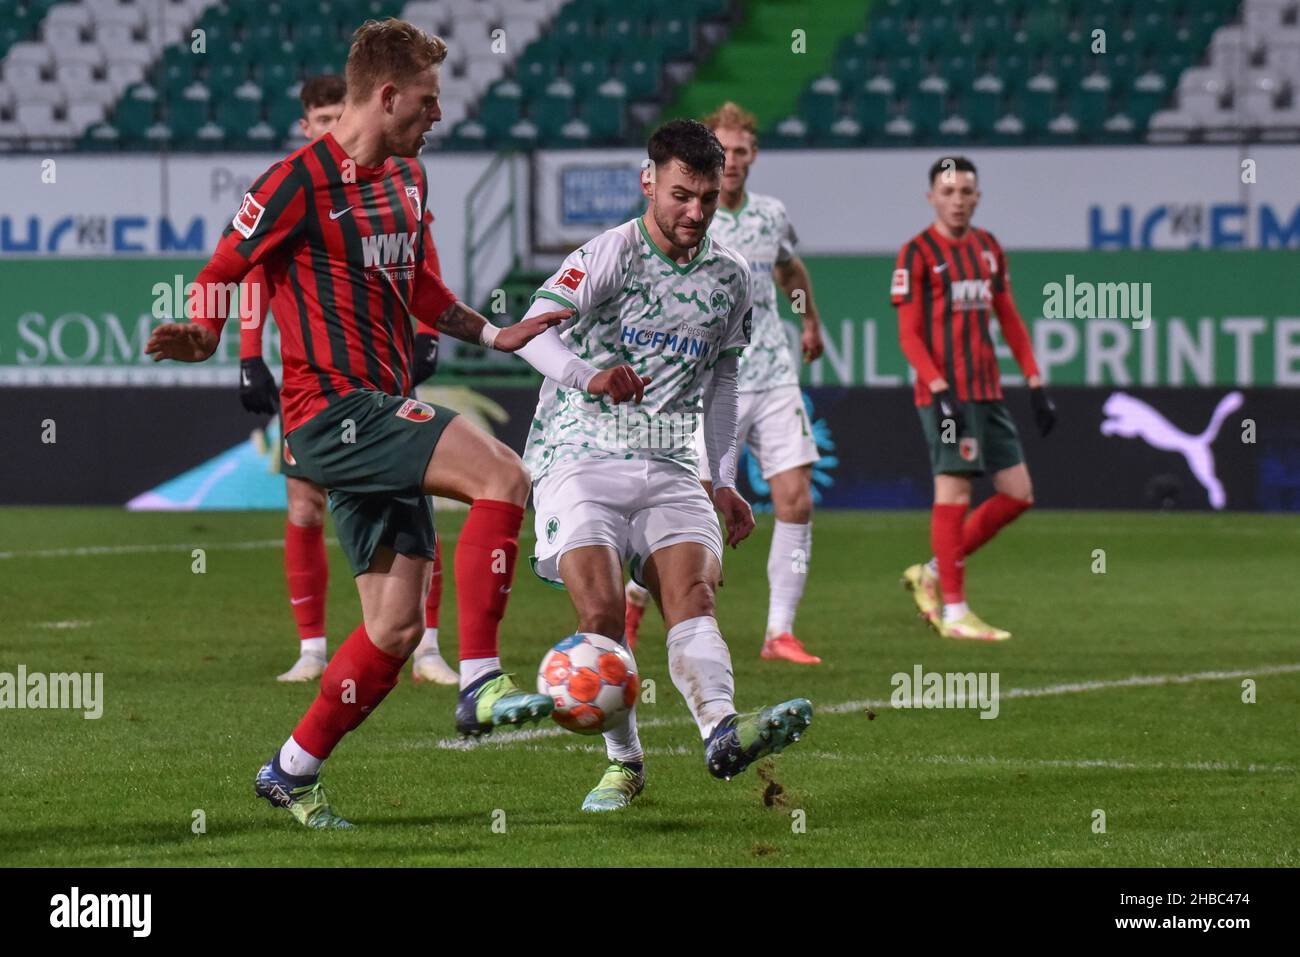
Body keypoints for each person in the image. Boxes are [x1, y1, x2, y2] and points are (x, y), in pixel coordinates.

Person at [145, 19, 593, 828]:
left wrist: (496, 335)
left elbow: (423, 290)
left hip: (381, 408)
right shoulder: (293, 182)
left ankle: (292, 768)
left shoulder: (410, 179)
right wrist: (207, 333)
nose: (439, 116)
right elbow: (221, 268)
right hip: (330, 412)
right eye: (428, 100)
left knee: (389, 632)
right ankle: (482, 681)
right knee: (504, 475)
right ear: (386, 96)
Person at [515, 119, 813, 813]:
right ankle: (624, 763)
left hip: (673, 461)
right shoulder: (609, 254)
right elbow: (531, 331)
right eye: (682, 195)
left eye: (707, 198)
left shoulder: (730, 275)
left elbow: (725, 382)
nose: (696, 213)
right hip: (579, 454)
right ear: (648, 181)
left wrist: (725, 480)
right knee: (599, 610)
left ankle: (720, 734)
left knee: (693, 597)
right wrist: (589, 377)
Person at [237, 74, 457, 685]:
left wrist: (430, 331)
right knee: (305, 504)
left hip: (382, 365)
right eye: (322, 116)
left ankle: (428, 644)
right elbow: (247, 271)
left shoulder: (396, 176)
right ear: (307, 125)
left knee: (417, 490)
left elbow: (420, 253)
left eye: (341, 112)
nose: (334, 124)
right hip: (317, 385)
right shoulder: (296, 185)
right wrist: (250, 354)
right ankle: (313, 647)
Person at [624, 101, 827, 665]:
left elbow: (789, 268)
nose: (732, 161)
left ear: (753, 154)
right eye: (724, 150)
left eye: (741, 151)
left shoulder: (770, 215)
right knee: (686, 503)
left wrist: (808, 318)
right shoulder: (690, 216)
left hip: (774, 374)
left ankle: (779, 632)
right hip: (710, 384)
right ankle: (635, 600)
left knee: (796, 498)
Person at [892, 156, 1057, 641]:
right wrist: (940, 390)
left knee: (1018, 494)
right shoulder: (917, 253)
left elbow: (1008, 317)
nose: (958, 200)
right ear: (932, 198)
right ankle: (957, 612)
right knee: (955, 493)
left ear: (978, 197)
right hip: (946, 395)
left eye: (966, 192)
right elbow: (909, 335)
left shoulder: (987, 250)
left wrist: (1034, 381)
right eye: (948, 192)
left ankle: (932, 572)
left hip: (988, 391)